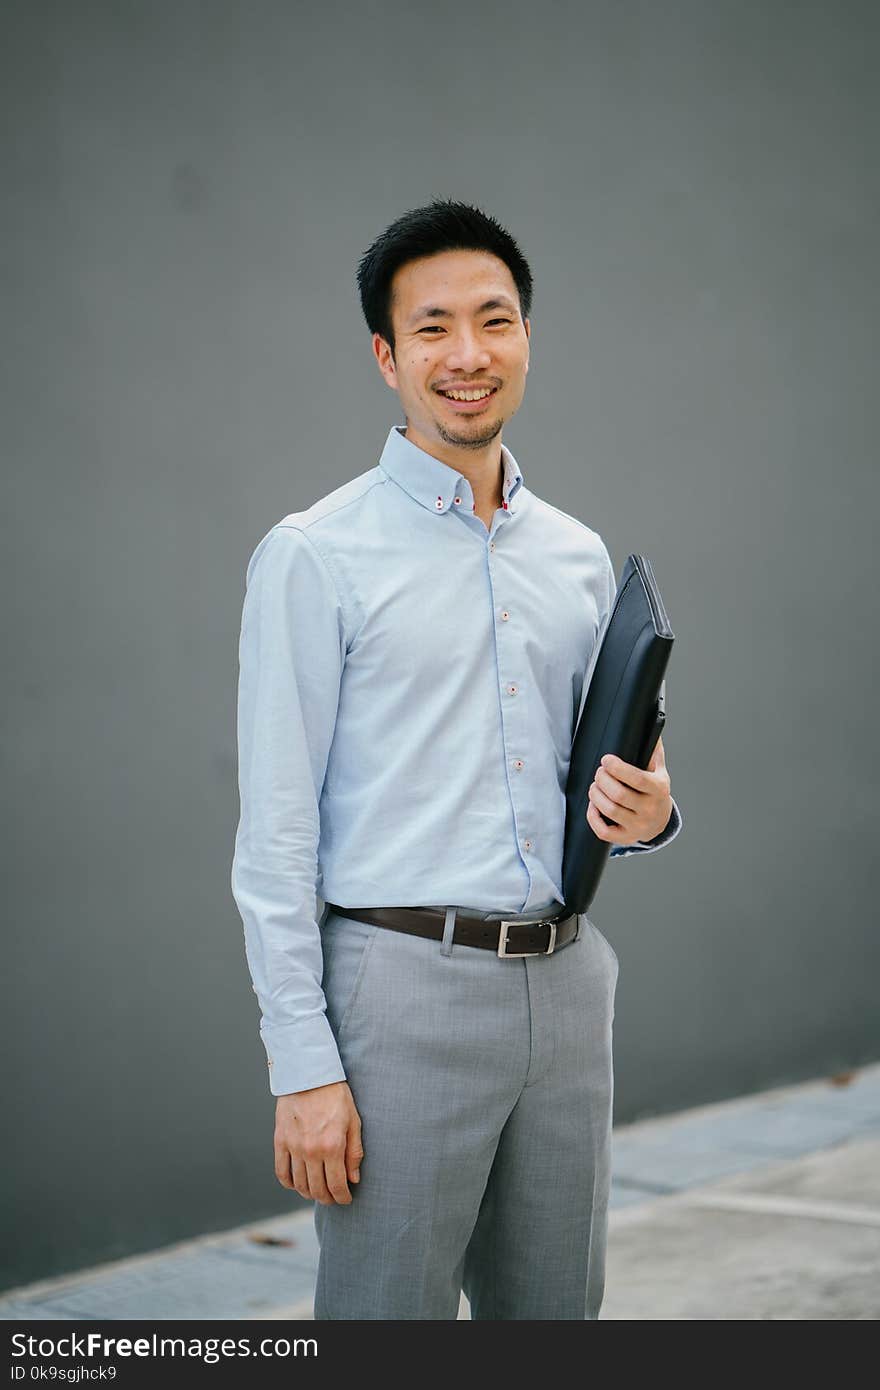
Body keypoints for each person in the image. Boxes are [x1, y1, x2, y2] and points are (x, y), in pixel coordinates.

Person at [231, 199, 682, 1320]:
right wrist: (303, 1062)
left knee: (554, 1318)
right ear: (387, 358)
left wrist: (653, 808)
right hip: (400, 993)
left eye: (495, 320)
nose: (468, 355)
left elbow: (610, 758)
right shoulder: (313, 556)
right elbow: (275, 833)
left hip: (569, 985)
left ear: (527, 335)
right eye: (433, 328)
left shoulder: (577, 555)